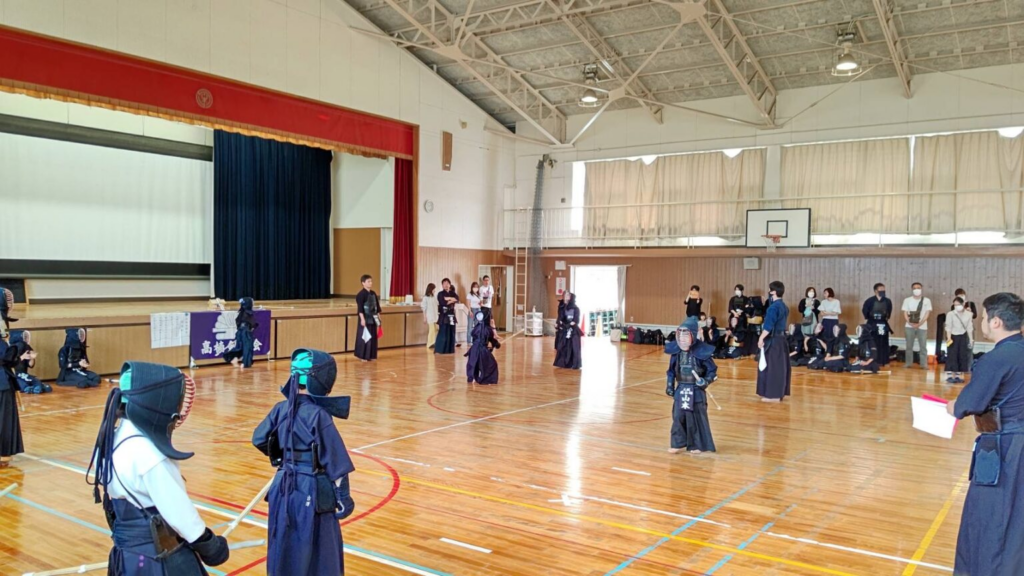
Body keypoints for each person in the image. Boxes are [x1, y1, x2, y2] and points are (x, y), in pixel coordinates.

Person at [87, 361, 229, 574]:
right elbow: (180, 515)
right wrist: (210, 545)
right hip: (159, 560)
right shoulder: (149, 454)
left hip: (129, 557)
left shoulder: (110, 439)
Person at [253, 349, 355, 576]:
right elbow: (336, 464)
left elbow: (259, 438)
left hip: (282, 487)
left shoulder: (280, 409)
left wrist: (284, 458)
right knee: (319, 552)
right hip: (311, 489)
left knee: (283, 544)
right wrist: (344, 498)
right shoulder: (318, 415)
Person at [945, 292, 1024, 576]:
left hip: (1005, 449)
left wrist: (953, 406)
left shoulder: (996, 359)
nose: (982, 323)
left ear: (996, 321)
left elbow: (967, 405)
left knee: (991, 518)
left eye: (985, 317)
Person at [665, 316, 718, 454]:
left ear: (693, 336)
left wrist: (705, 381)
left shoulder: (702, 352)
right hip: (681, 388)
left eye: (685, 335)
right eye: (680, 335)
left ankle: (697, 445)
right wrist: (670, 385)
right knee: (678, 416)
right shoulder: (676, 353)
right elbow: (671, 371)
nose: (682, 339)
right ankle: (677, 443)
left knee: (696, 417)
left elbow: (712, 372)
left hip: (696, 390)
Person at [756, 281, 791, 402]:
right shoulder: (784, 306)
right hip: (781, 340)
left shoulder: (773, 308)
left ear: (774, 292)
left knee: (772, 367)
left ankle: (773, 395)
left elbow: (768, 326)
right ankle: (779, 393)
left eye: (770, 290)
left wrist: (761, 338)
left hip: (773, 340)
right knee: (779, 367)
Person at [0, 332, 23, 469]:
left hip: (4, 383)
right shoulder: (2, 344)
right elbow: (9, 360)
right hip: (2, 384)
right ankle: (2, 453)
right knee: (4, 419)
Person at [902, 282, 933, 370]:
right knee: (909, 345)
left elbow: (927, 313)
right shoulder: (907, 300)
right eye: (914, 288)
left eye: (918, 288)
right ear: (912, 289)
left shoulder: (927, 300)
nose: (916, 289)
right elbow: (905, 312)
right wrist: (909, 322)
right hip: (909, 326)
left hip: (922, 326)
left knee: (923, 345)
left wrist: (920, 323)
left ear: (921, 289)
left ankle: (924, 364)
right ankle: (908, 363)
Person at [945, 296, 975, 384]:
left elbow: (969, 327)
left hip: (963, 336)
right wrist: (949, 338)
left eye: (958, 304)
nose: (957, 306)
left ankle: (958, 375)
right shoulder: (950, 314)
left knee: (961, 355)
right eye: (955, 305)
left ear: (963, 304)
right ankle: (950, 375)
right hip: (952, 336)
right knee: (952, 355)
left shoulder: (969, 314)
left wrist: (971, 339)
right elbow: (948, 327)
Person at [862, 283, 893, 366]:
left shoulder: (888, 301)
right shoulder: (869, 301)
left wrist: (884, 319)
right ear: (876, 291)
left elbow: (889, 313)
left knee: (884, 342)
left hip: (883, 322)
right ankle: (873, 360)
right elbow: (865, 312)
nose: (883, 290)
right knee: (873, 342)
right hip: (872, 323)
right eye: (881, 289)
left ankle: (884, 361)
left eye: (884, 289)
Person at [223, 297, 258, 368]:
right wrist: (251, 328)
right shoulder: (248, 313)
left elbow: (238, 322)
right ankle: (245, 363)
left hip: (240, 332)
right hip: (246, 333)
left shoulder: (241, 313)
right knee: (247, 347)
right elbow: (253, 324)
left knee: (240, 347)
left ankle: (235, 359)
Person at [465, 311, 499, 385]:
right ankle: (487, 379)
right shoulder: (488, 329)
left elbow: (475, 337)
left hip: (474, 349)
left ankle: (471, 378)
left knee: (473, 363)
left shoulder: (476, 328)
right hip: (482, 350)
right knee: (492, 364)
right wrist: (496, 344)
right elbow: (491, 339)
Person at [354, 275, 381, 362]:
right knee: (365, 337)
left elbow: (377, 307)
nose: (370, 283)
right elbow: (360, 309)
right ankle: (363, 356)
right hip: (365, 317)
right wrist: (362, 319)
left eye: (371, 281)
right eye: (368, 281)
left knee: (373, 337)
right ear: (363, 283)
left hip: (373, 318)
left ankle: (372, 355)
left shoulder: (373, 293)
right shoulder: (360, 295)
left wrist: (379, 318)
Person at [553, 292, 582, 370]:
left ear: (570, 297)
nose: (565, 297)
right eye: (564, 295)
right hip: (564, 329)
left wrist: (571, 324)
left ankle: (575, 364)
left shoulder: (576, 308)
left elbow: (576, 320)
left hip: (573, 330)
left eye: (567, 295)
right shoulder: (562, 308)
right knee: (563, 346)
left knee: (574, 347)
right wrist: (557, 324)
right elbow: (560, 318)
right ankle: (564, 363)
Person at [434, 279, 459, 355]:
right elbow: (443, 302)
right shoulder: (440, 294)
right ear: (442, 285)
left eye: (447, 283)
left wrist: (448, 299)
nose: (446, 285)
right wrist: (452, 300)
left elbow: (457, 299)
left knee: (451, 332)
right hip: (444, 315)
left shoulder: (452, 293)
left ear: (449, 285)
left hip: (451, 315)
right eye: (444, 283)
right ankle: (439, 350)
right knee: (443, 332)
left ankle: (450, 350)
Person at [421, 283, 438, 350]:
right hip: (430, 316)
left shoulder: (434, 297)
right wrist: (424, 317)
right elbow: (424, 308)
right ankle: (430, 343)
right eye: (434, 289)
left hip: (435, 316)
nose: (434, 290)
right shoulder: (425, 298)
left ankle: (434, 342)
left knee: (435, 329)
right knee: (432, 330)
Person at [466, 282, 482, 346]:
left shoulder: (479, 295)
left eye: (477, 287)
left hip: (478, 310)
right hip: (472, 310)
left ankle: (476, 340)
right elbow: (468, 303)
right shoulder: (469, 294)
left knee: (477, 326)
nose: (475, 288)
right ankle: (469, 341)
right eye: (474, 287)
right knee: (470, 326)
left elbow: (481, 303)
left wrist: (481, 304)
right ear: (472, 287)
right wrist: (470, 311)